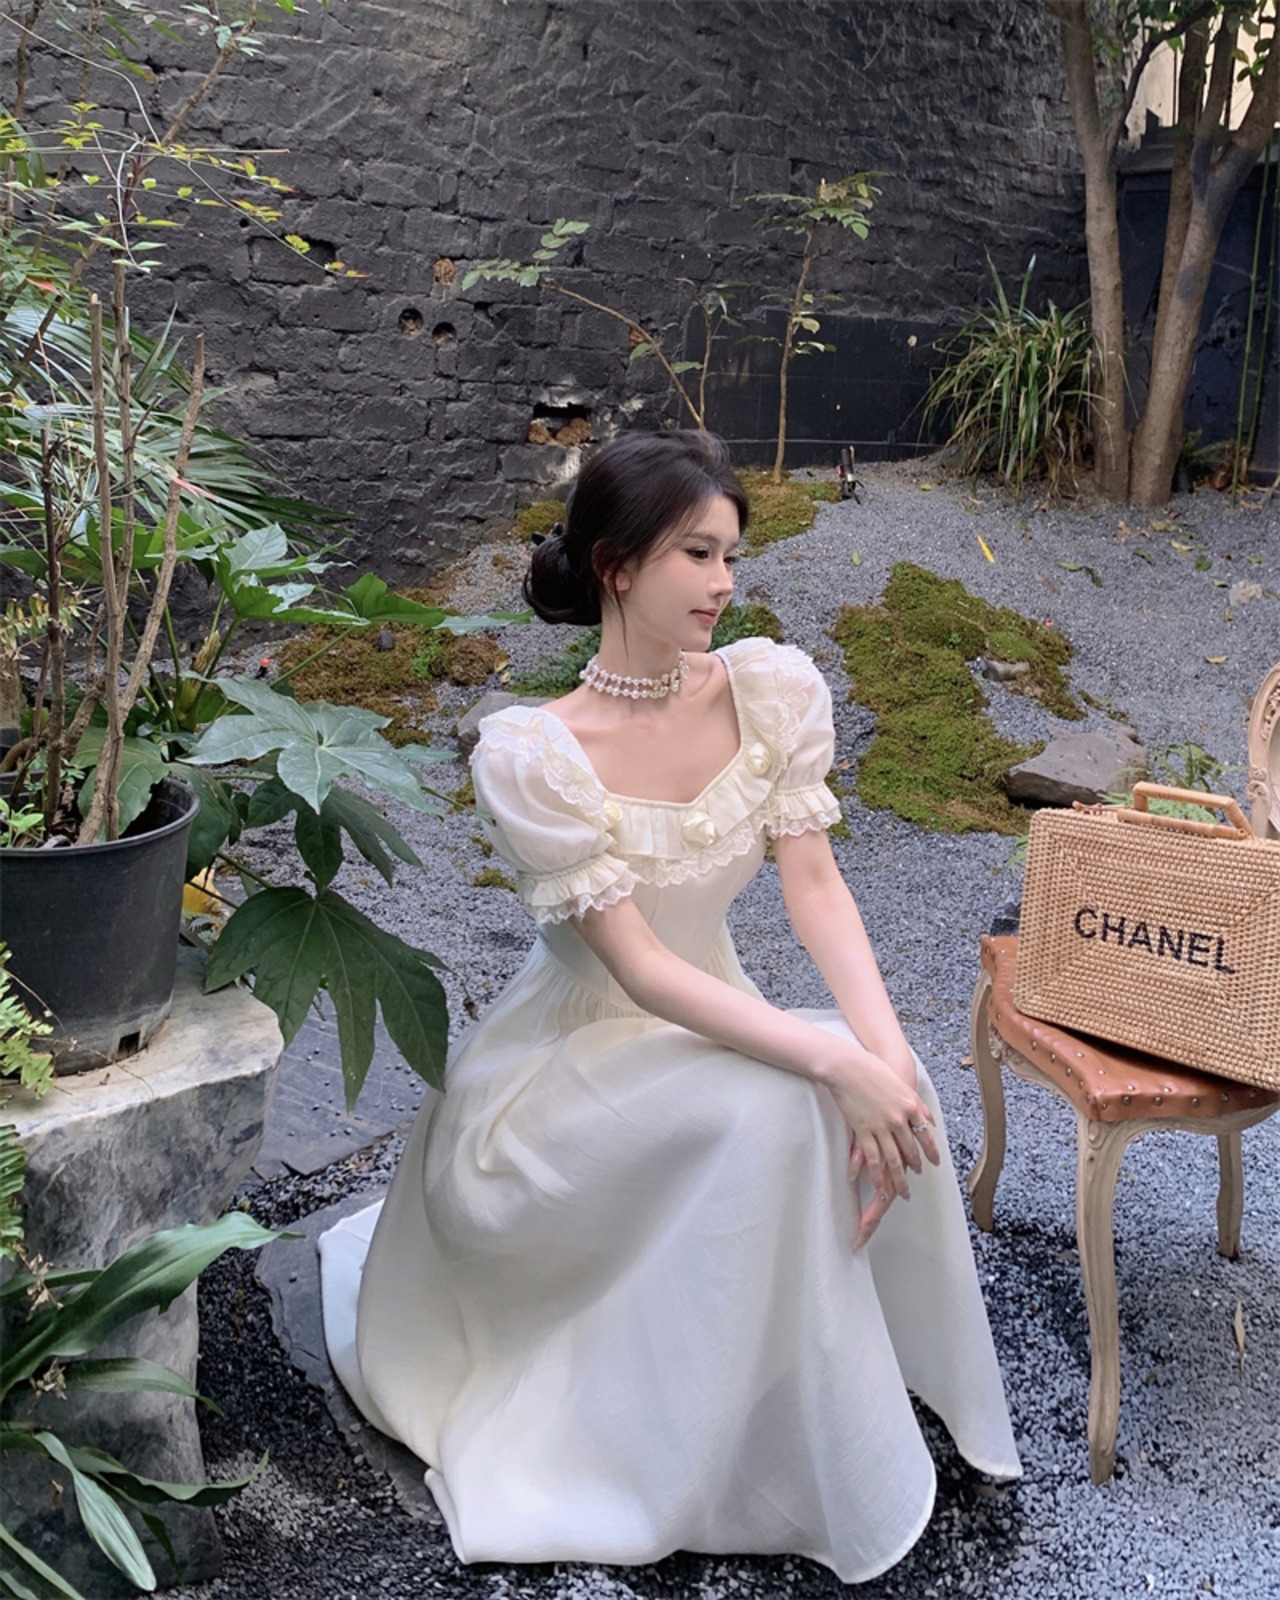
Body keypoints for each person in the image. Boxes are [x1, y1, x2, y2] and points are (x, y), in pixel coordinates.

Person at [319, 431, 1020, 1584]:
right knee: (780, 1108)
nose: (723, 582)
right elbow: (641, 970)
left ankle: (835, 1379)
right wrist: (828, 1063)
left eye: (729, 555)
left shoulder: (769, 691)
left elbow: (814, 886)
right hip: (566, 1070)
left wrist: (882, 1054)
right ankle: (686, 1446)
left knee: (889, 1085)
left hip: (713, 1020)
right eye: (696, 554)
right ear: (615, 565)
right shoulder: (535, 753)